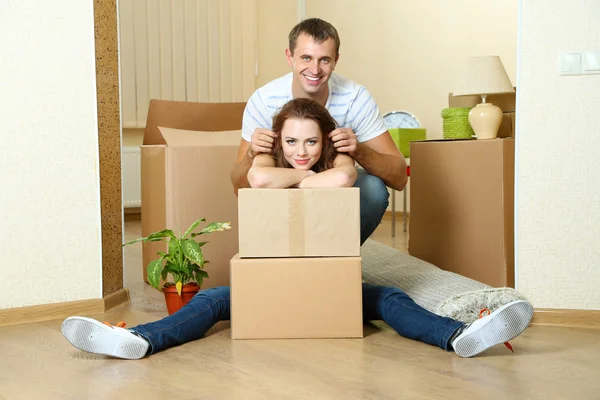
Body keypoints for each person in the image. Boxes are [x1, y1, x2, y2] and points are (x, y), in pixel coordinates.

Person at [61, 98, 534, 360]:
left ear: (325, 139)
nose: (301, 150)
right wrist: (306, 177)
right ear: (278, 139)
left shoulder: (341, 157)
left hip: (330, 278)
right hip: (271, 280)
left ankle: (460, 336)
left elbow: (345, 177)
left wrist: (306, 176)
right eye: (291, 141)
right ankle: (140, 340)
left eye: (311, 142)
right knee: (211, 300)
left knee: (389, 298)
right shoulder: (267, 157)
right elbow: (260, 177)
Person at [231, 18, 408, 245]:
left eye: (324, 60)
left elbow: (400, 178)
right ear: (289, 57)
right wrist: (252, 156)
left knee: (372, 189)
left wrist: (359, 150)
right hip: (278, 190)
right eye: (306, 57)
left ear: (336, 61)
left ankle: (338, 255)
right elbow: (240, 187)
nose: (315, 69)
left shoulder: (356, 99)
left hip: (333, 186)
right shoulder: (264, 101)